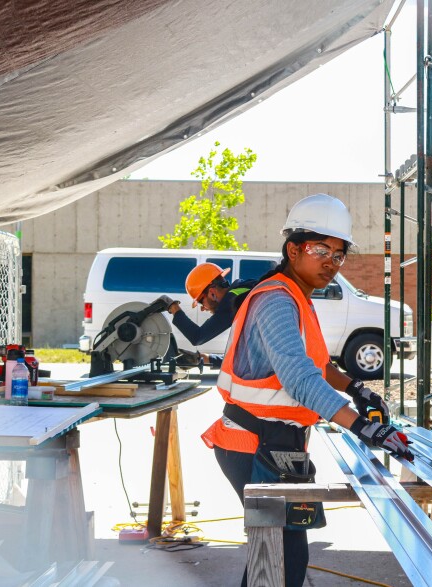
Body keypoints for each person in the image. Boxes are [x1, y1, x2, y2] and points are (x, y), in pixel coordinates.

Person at [201, 193, 412, 587]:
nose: (331, 262)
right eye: (321, 250)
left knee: (278, 556)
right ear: (293, 249)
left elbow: (319, 365)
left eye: (339, 254)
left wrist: (357, 390)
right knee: (281, 557)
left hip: (275, 442)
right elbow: (299, 379)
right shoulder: (276, 301)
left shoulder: (297, 296)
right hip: (252, 443)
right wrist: (364, 427)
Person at [154, 262, 259, 368]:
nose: (203, 308)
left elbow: (197, 336)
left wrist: (174, 308)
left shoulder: (232, 301)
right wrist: (203, 358)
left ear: (212, 293)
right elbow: (245, 357)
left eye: (201, 302)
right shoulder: (244, 288)